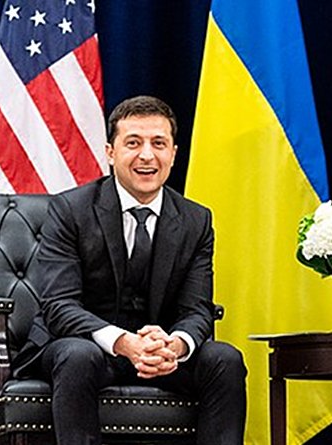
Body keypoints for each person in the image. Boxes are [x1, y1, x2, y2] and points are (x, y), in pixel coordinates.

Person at [14, 95, 247, 445]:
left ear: (173, 153)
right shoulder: (70, 210)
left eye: (159, 144)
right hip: (87, 348)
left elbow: (197, 309)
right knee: (78, 355)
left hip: (159, 355)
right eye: (133, 143)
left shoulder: (196, 220)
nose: (147, 156)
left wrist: (176, 345)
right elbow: (60, 307)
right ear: (110, 152)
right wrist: (124, 342)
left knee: (224, 359)